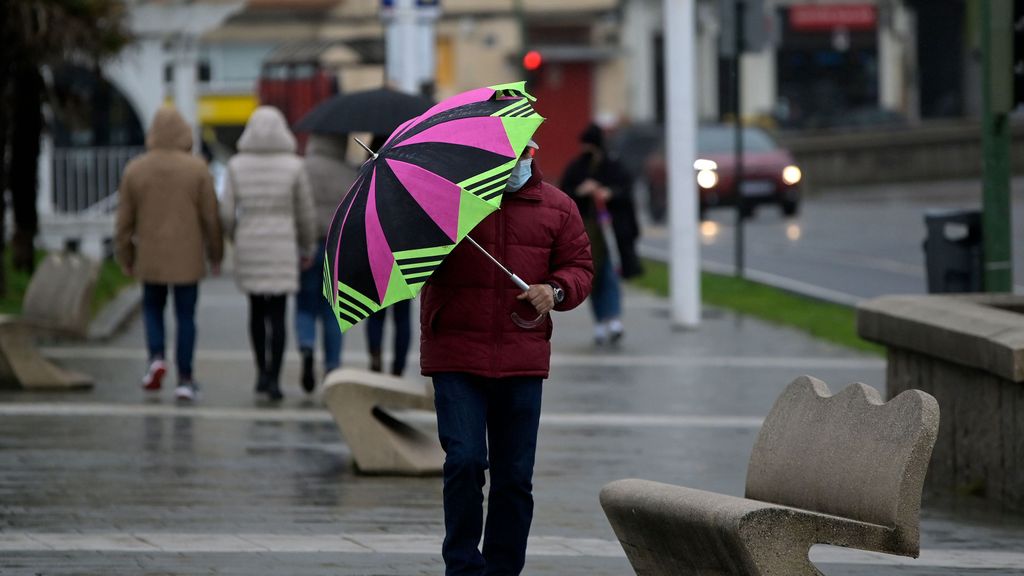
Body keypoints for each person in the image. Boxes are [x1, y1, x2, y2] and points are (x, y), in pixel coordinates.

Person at [419, 140, 593, 576]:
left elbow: (579, 267)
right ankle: (462, 566)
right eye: (506, 156)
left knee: (514, 478)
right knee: (464, 461)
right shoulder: (448, 202)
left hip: (522, 356)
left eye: (525, 155)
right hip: (456, 354)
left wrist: (553, 291)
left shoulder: (558, 207)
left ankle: (502, 569)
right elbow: (417, 264)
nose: (516, 164)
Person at [115, 106, 224, 402]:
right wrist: (216, 255)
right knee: (186, 315)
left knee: (152, 309)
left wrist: (125, 256)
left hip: (149, 256)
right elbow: (211, 218)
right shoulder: (198, 169)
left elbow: (123, 222)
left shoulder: (135, 169)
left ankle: (156, 359)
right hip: (187, 258)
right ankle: (186, 379)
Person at [220, 106, 317, 401]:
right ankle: (275, 378)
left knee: (255, 311)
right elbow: (305, 212)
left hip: (249, 240)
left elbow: (225, 212)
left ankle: (261, 372)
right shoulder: (294, 165)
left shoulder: (236, 165)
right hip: (283, 243)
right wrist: (307, 245)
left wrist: (235, 235)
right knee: (278, 313)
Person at [561, 122, 642, 345]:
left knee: (610, 275)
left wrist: (609, 194)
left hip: (611, 233)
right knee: (592, 278)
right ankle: (599, 323)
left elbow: (625, 192)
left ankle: (613, 320)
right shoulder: (577, 168)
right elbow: (564, 194)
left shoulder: (613, 166)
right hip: (587, 234)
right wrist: (580, 191)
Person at [297, 134, 356, 391]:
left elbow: (298, 209)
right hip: (338, 245)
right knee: (333, 309)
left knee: (305, 305)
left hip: (309, 245)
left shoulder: (303, 168)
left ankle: (307, 346)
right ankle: (332, 367)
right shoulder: (348, 171)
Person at [363, 133, 411, 377]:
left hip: (375, 252)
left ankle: (375, 357)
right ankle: (398, 368)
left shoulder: (366, 176)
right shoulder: (408, 174)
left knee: (375, 312)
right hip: (403, 253)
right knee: (402, 316)